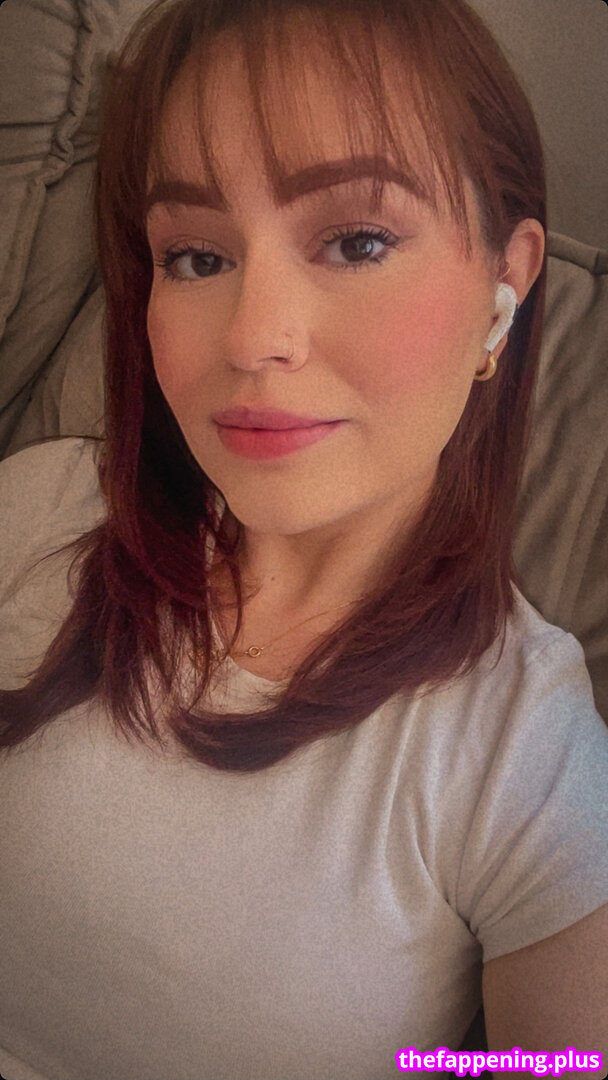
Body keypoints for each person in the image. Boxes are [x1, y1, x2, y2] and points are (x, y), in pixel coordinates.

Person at [1, 1, 607, 1078]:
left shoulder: (526, 754)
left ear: (504, 289)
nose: (252, 337)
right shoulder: (38, 511)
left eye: (357, 241)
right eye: (195, 257)